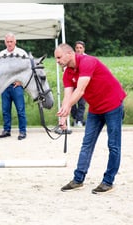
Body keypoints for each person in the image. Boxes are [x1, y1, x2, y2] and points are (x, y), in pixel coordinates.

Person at [54, 43, 126, 194]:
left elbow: (80, 91)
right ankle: (78, 179)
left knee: (113, 145)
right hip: (95, 108)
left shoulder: (87, 62)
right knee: (86, 144)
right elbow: (68, 96)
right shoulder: (67, 73)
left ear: (69, 54)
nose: (57, 61)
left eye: (59, 57)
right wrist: (63, 114)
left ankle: (108, 182)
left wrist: (66, 109)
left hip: (113, 105)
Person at [0, 33, 28, 140]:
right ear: (5, 42)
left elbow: (27, 69)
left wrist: (21, 82)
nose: (9, 44)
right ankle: (6, 130)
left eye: (11, 41)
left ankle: (22, 131)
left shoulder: (21, 53)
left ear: (15, 42)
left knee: (20, 110)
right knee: (5, 110)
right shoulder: (1, 54)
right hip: (5, 86)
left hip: (17, 86)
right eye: (7, 42)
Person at [70, 41, 87, 127]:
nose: (78, 49)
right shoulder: (72, 57)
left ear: (83, 49)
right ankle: (76, 118)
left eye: (80, 48)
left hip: (82, 82)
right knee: (72, 102)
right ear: (75, 48)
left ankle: (79, 120)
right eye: (77, 48)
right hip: (73, 82)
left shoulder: (86, 58)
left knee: (81, 103)